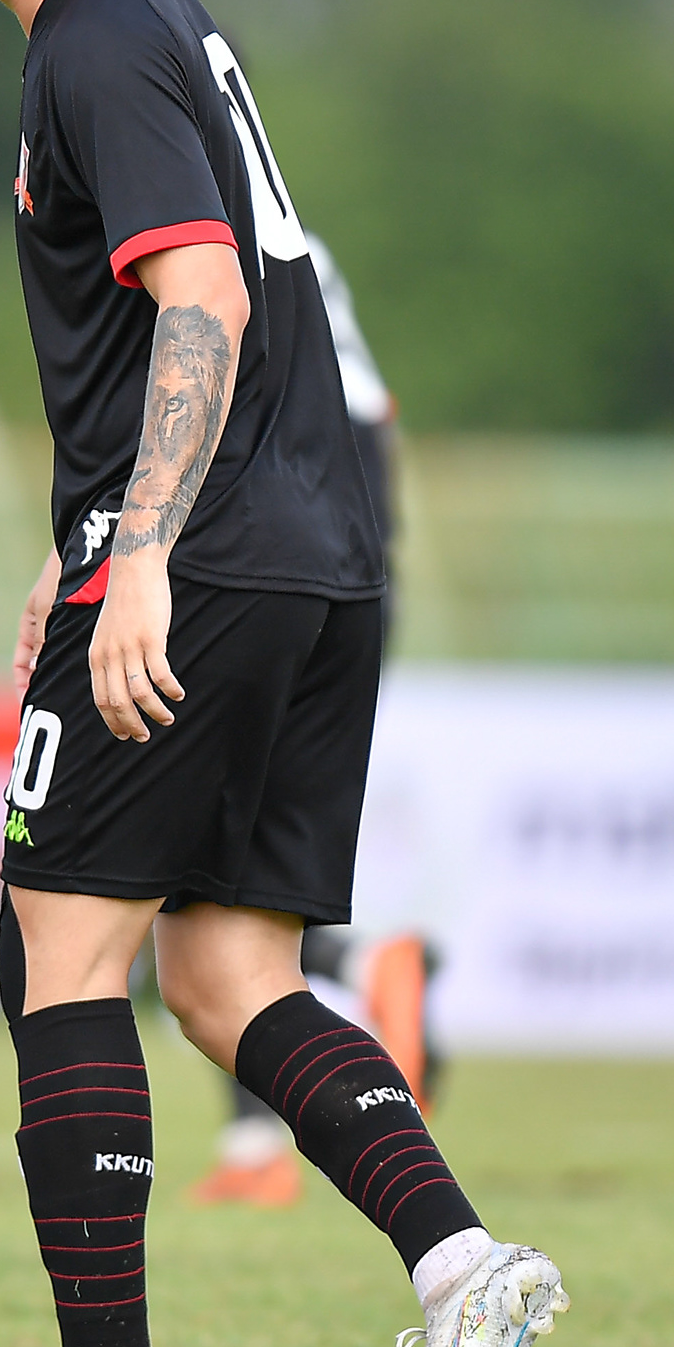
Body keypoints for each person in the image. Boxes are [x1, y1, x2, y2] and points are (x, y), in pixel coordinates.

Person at [0, 0, 567, 1347]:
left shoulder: (94, 41)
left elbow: (204, 299)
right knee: (228, 976)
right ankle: (463, 1268)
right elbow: (171, 335)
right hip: (318, 556)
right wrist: (78, 539)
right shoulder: (154, 17)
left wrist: (138, 557)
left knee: (57, 947)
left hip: (205, 557)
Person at [195, 239, 433, 1210]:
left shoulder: (199, 222)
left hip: (268, 570)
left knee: (181, 869)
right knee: (242, 872)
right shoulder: (299, 245)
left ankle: (349, 972)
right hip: (358, 584)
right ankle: (262, 1127)